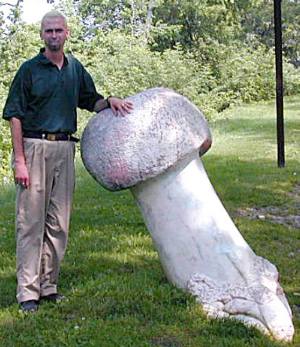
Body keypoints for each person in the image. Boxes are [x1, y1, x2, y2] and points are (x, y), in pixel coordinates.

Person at [2, 10, 133, 313]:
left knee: (58, 223)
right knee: (30, 223)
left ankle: (48, 287)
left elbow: (91, 100)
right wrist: (19, 161)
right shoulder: (29, 70)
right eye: (48, 31)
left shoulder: (74, 69)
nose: (53, 36)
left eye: (58, 30)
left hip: (64, 149)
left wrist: (109, 101)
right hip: (35, 148)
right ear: (41, 35)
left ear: (67, 33)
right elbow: (15, 116)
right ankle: (27, 294)